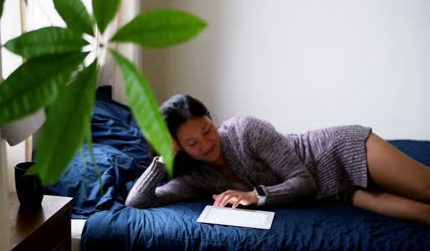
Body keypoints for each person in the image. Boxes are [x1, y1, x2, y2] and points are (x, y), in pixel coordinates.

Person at [125, 94, 430, 225]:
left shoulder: (245, 130)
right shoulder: (197, 178)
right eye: (192, 142)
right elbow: (137, 202)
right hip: (339, 192)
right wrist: (163, 159)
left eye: (207, 130)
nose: (206, 144)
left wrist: (253, 196)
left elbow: (303, 182)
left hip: (342, 151)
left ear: (211, 118)